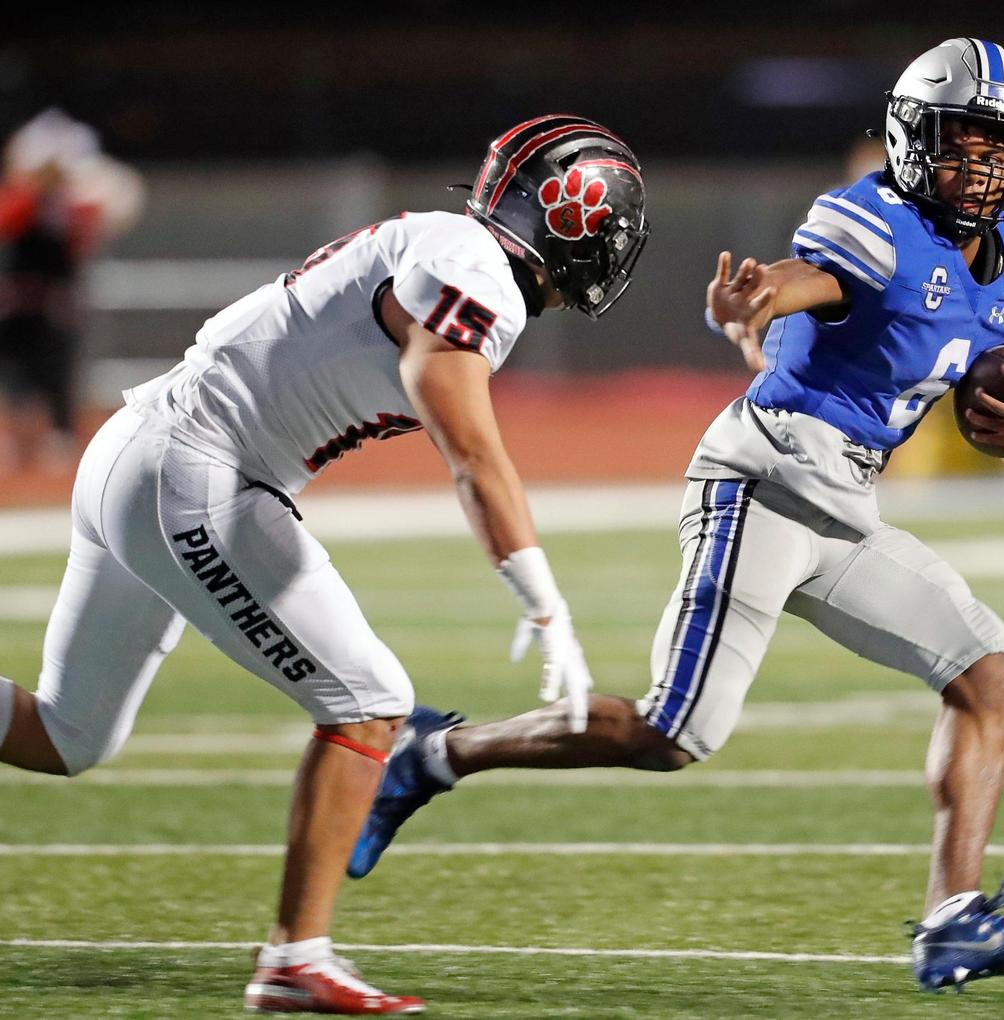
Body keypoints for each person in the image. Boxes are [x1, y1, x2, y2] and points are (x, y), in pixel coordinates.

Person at [350, 38, 1004, 994]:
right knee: (676, 733)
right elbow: (801, 283)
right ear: (915, 141)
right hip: (767, 479)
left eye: (1000, 148)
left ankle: (952, 925)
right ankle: (432, 752)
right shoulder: (872, 222)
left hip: (844, 503)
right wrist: (750, 305)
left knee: (987, 672)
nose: (979, 165)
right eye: (961, 142)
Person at [0, 114, 650, 1014]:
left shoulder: (449, 244)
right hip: (194, 467)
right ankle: (294, 958)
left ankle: (296, 959)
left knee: (67, 734)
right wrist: (544, 601)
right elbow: (471, 453)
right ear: (577, 224)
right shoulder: (473, 276)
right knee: (370, 702)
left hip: (144, 451)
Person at [0, 108, 145, 474]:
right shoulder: (22, 200)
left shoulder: (71, 207)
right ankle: (19, 448)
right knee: (16, 381)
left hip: (56, 307)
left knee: (58, 378)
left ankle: (58, 447)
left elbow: (107, 214)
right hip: (15, 306)